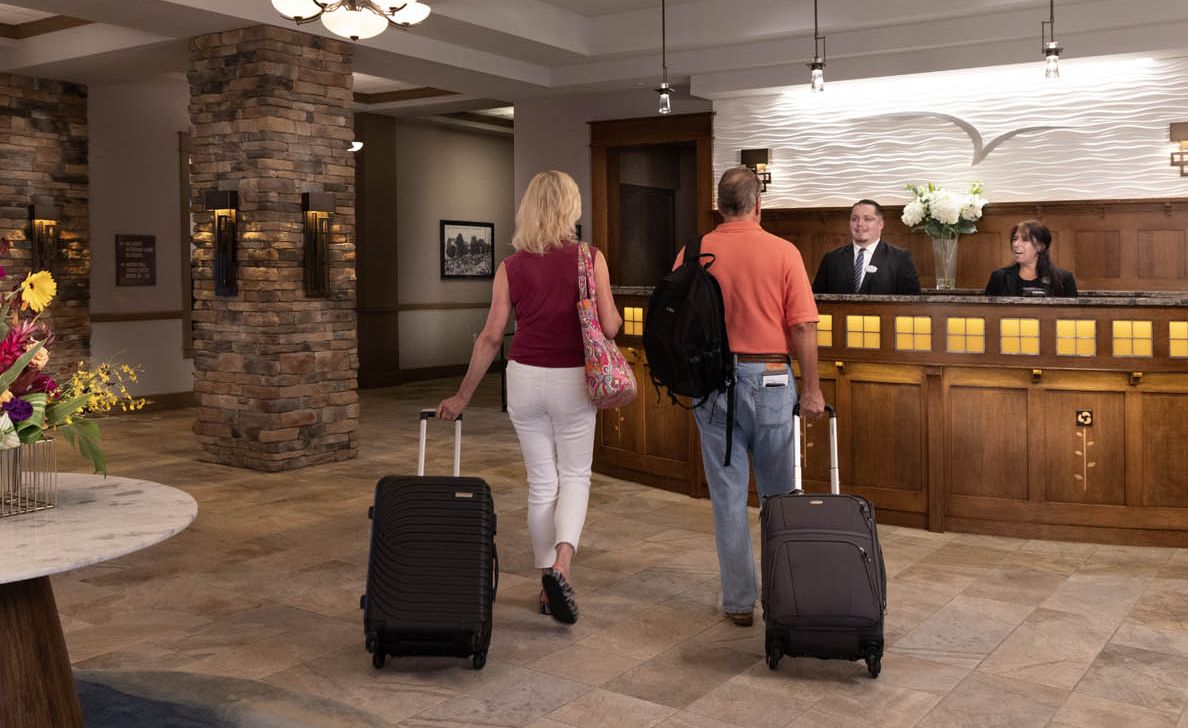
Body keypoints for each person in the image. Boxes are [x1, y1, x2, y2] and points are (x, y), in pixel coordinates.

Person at [436, 170, 622, 625]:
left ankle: (546, 583)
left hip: (523, 378)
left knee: (542, 483)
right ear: (570, 208)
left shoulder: (511, 266)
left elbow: (491, 337)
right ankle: (562, 566)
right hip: (573, 379)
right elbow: (612, 327)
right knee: (575, 475)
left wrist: (462, 396)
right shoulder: (588, 257)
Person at [675, 167, 825, 627]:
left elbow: (678, 319)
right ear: (759, 205)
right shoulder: (783, 251)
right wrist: (813, 389)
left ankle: (739, 602)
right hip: (772, 377)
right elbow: (801, 326)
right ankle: (784, 596)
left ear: (718, 206)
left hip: (711, 382)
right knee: (779, 495)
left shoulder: (694, 251)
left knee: (727, 495)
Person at [812, 200, 921, 295]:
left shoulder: (900, 259)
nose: (859, 224)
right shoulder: (831, 259)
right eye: (854, 219)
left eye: (867, 219)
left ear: (881, 224)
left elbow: (912, 303)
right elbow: (817, 300)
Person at [984, 220, 1077, 297]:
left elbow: (1073, 316)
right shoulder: (999, 277)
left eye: (1025, 240)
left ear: (1040, 246)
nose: (1016, 244)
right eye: (1015, 239)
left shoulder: (1063, 279)